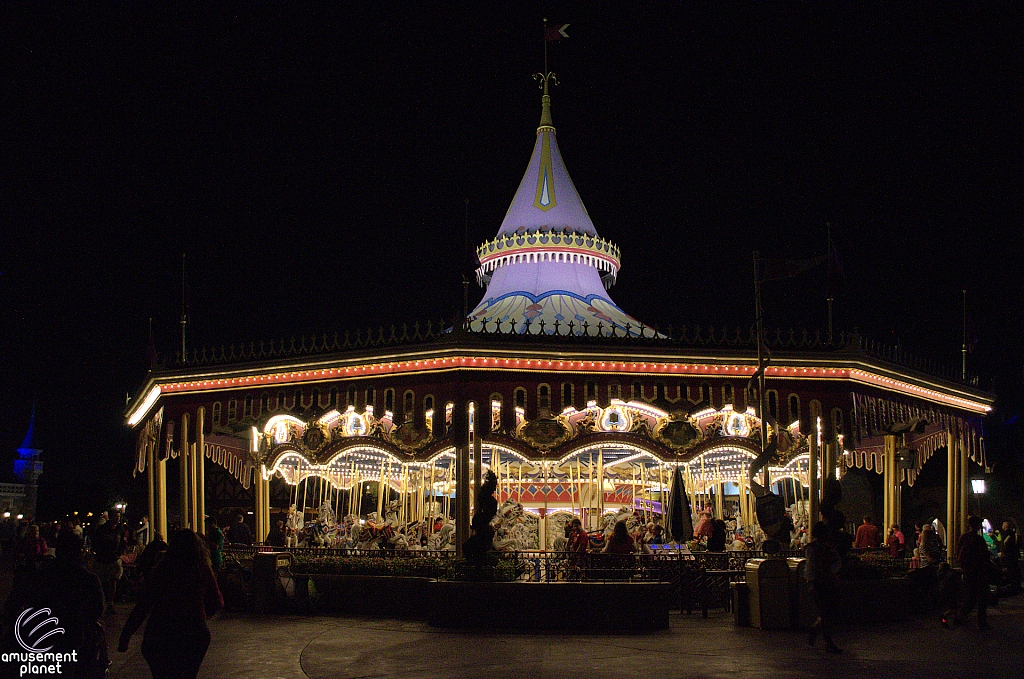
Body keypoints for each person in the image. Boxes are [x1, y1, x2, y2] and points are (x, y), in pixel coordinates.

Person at [118, 529, 224, 679]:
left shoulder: (164, 569)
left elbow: (143, 605)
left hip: (161, 631)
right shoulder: (201, 569)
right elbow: (217, 601)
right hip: (193, 631)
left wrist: (126, 635)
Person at [4, 532, 106, 679]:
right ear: (79, 552)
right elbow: (97, 609)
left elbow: (12, 604)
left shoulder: (39, 576)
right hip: (73, 638)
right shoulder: (88, 579)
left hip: (40, 636)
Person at [804, 521, 842, 653]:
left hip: (826, 581)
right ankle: (828, 641)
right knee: (826, 612)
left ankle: (815, 630)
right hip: (820, 583)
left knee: (827, 612)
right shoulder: (814, 548)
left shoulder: (825, 547)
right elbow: (811, 568)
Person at [953, 515, 993, 629]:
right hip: (977, 570)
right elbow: (984, 555)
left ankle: (960, 616)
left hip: (968, 570)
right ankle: (981, 621)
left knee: (971, 596)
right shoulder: (977, 539)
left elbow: (959, 553)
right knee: (980, 597)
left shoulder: (964, 537)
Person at [91, 511, 126, 615]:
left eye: (119, 517)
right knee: (101, 581)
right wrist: (97, 553)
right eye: (116, 516)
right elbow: (95, 542)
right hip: (102, 558)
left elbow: (122, 542)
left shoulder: (120, 529)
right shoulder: (102, 529)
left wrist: (119, 553)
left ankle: (110, 603)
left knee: (113, 580)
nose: (118, 519)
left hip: (113, 558)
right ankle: (100, 602)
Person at [998, 520, 1020, 594]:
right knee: (1012, 570)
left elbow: (1005, 544)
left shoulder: (1008, 534)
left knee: (1010, 570)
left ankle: (1011, 585)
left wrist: (1002, 552)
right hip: (1011, 555)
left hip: (1009, 555)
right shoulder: (1012, 534)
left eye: (1003, 525)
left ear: (1005, 526)